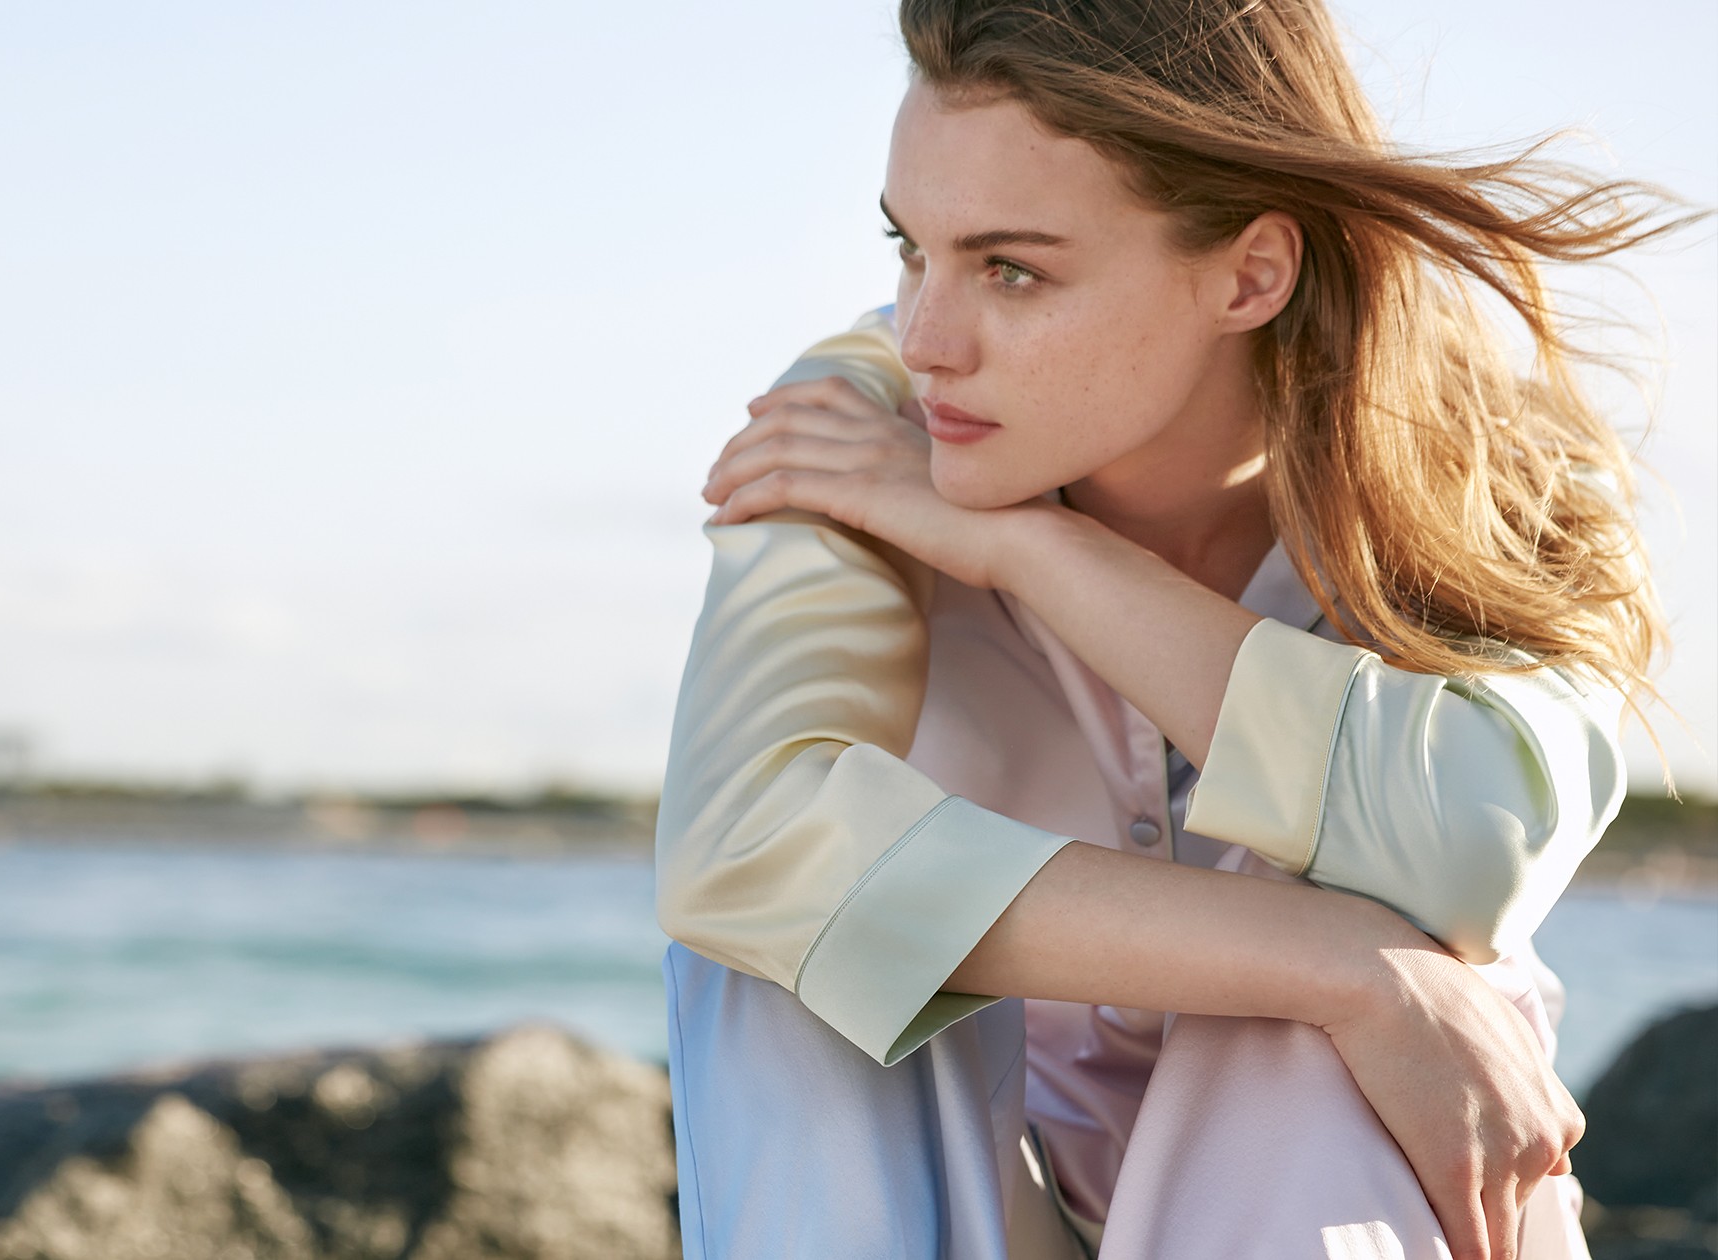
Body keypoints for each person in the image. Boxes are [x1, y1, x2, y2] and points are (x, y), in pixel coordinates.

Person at [652, 2, 1703, 1257]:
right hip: (1002, 1212)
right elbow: (737, 844)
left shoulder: (1496, 474)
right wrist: (1342, 964)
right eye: (908, 249)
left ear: (1248, 274)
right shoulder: (853, 420)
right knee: (774, 966)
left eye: (1011, 270)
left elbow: (1469, 845)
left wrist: (1028, 547)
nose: (926, 340)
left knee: (1311, 1016)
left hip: (1364, 1198)